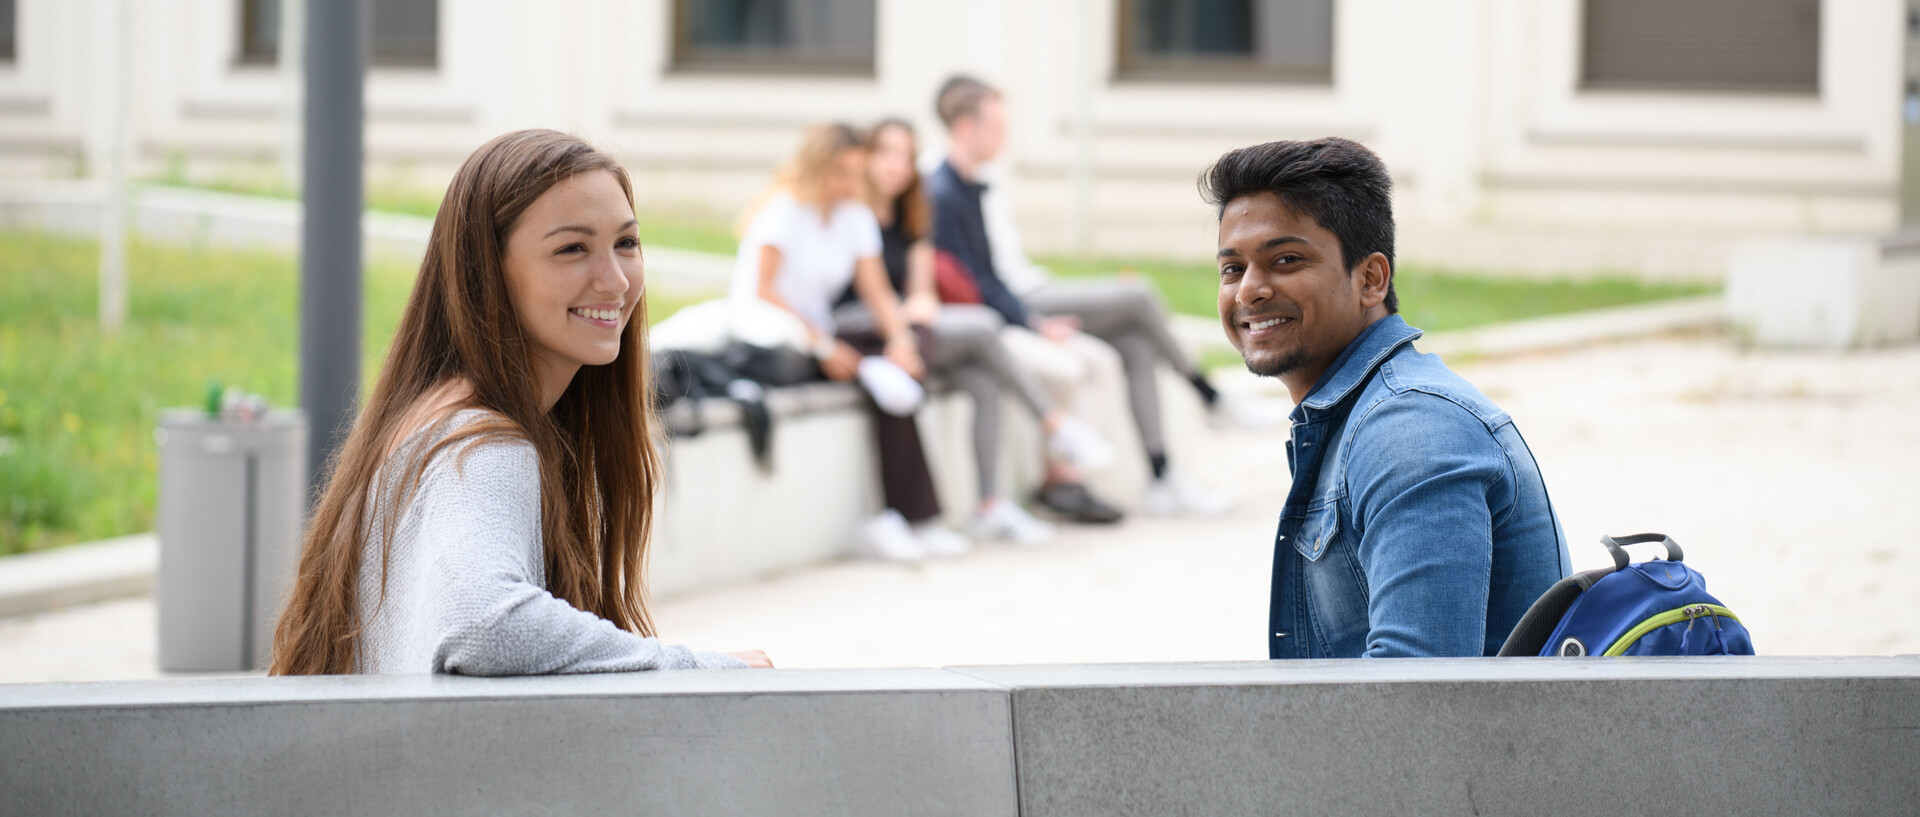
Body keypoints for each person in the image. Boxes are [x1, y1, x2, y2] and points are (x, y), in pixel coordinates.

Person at [270, 130, 769, 675]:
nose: (616, 280)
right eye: (571, 249)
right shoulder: (482, 444)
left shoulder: (440, 414)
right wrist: (694, 668)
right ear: (486, 271)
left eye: (626, 243)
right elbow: (482, 622)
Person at [1201, 137, 1570, 658]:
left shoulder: (1412, 431)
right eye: (1232, 268)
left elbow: (1414, 700)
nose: (1248, 291)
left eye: (1285, 259)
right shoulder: (1362, 417)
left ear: (1371, 279)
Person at [927, 75, 1232, 517]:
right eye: (997, 126)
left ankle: (1156, 475)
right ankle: (1206, 393)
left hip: (1021, 297)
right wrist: (1032, 324)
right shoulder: (944, 188)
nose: (1005, 137)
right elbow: (975, 281)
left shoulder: (979, 181)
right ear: (964, 127)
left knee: (1133, 342)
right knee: (1138, 296)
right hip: (1013, 306)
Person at [841, 117, 1121, 541]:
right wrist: (905, 322)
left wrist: (917, 309)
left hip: (910, 330)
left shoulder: (911, 212)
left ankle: (989, 506)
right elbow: (872, 293)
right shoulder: (854, 214)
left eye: (905, 155)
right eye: (885, 152)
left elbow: (922, 290)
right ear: (865, 158)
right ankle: (1054, 423)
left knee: (983, 380)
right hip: (864, 328)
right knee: (982, 327)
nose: (895, 165)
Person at [730, 122, 966, 560]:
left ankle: (898, 515)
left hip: (821, 334)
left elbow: (877, 290)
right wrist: (823, 346)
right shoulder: (784, 210)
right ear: (818, 166)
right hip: (776, 335)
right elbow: (763, 291)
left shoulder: (854, 216)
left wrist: (901, 341)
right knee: (887, 380)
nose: (851, 182)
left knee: (912, 341)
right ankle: (912, 515)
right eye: (842, 171)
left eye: (857, 172)